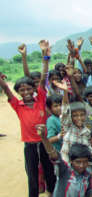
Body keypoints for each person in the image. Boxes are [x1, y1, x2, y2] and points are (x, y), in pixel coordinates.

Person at [0, 40, 56, 197]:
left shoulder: (40, 99)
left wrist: (45, 56)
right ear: (18, 92)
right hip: (30, 146)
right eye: (21, 89)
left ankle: (53, 192)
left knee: (49, 171)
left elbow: (44, 75)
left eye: (28, 88)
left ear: (34, 89)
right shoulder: (17, 105)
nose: (25, 91)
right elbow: (5, 88)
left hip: (44, 143)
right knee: (32, 175)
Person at [36, 124, 92, 197]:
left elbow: (90, 192)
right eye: (78, 162)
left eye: (85, 162)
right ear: (71, 161)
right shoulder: (64, 170)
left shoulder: (88, 174)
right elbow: (54, 155)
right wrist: (43, 137)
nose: (81, 165)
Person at [56, 80, 92, 163]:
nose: (79, 118)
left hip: (79, 165)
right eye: (75, 115)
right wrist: (65, 92)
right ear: (71, 117)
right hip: (66, 164)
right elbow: (65, 110)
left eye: (82, 115)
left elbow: (87, 145)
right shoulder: (68, 126)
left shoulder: (87, 131)